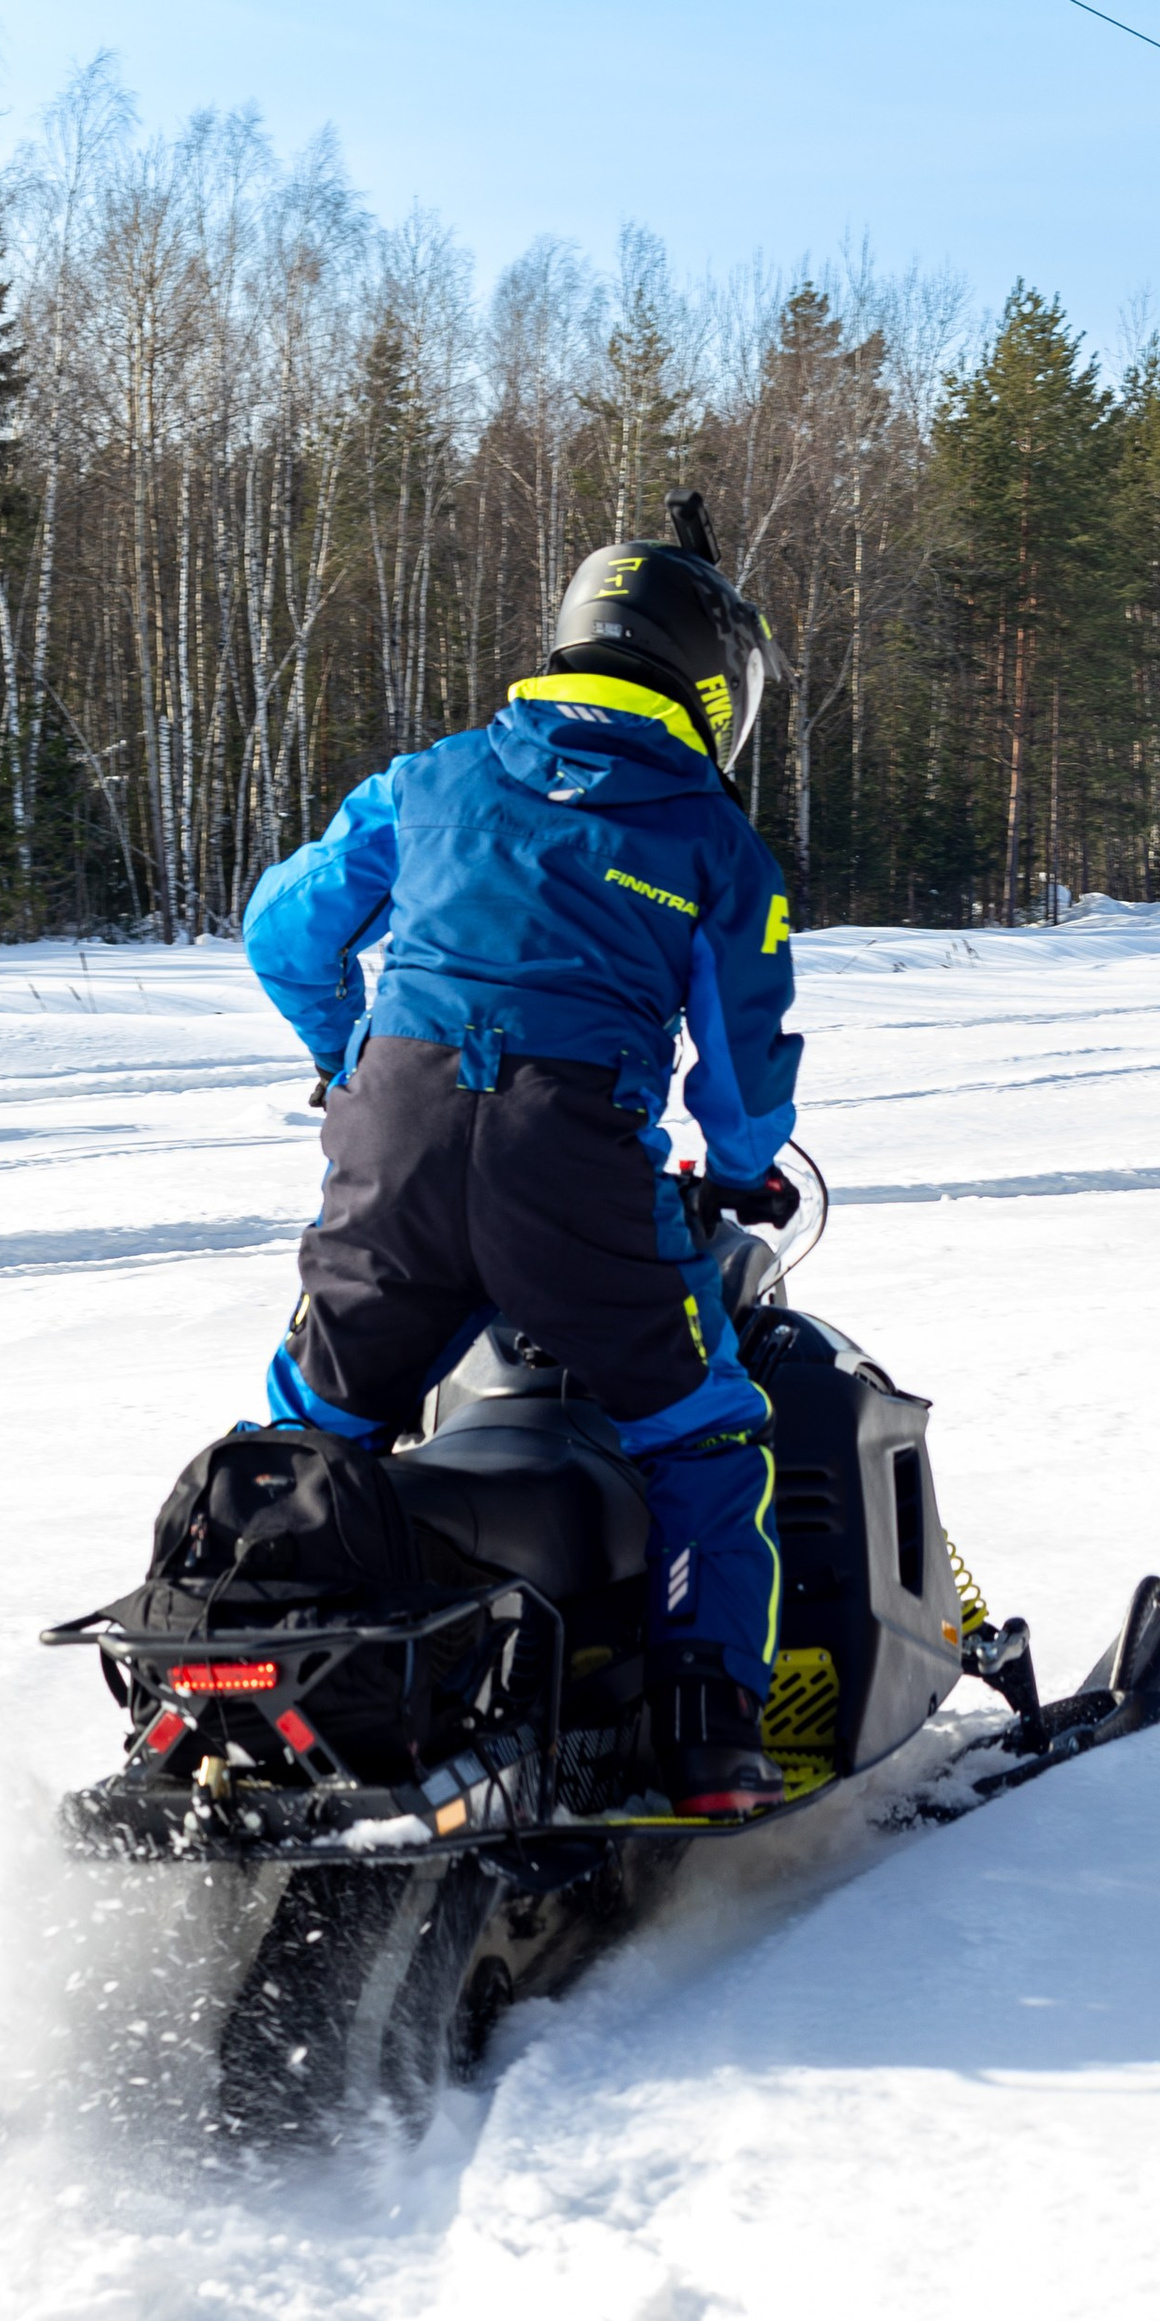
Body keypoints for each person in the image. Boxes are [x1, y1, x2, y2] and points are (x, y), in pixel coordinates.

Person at [241, 494, 802, 1816]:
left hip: (394, 1143)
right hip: (574, 1166)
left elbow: (283, 930)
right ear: (705, 681)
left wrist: (344, 1053)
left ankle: (259, 1688)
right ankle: (711, 1737)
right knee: (704, 1433)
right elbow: (744, 1048)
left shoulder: (429, 779)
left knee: (314, 1427)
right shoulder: (710, 837)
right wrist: (742, 1165)